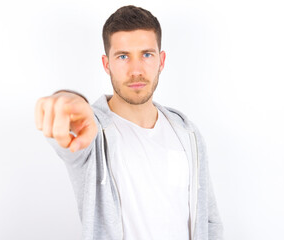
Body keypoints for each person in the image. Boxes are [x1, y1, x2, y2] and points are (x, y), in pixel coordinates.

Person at [34, 5, 223, 240]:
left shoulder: (188, 133)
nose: (136, 70)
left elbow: (208, 220)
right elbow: (73, 117)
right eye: (123, 56)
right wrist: (67, 100)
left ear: (161, 60)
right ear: (107, 64)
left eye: (146, 54)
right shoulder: (93, 133)